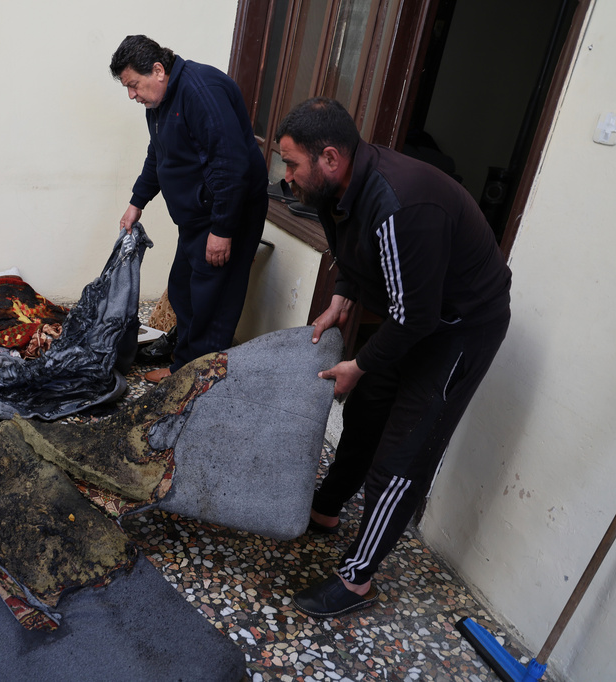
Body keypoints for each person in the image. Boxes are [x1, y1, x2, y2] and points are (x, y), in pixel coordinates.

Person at [274, 97, 512, 617]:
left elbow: (416, 320)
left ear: (330, 157)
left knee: (403, 453)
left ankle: (358, 580)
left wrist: (358, 365)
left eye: (291, 164)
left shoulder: (402, 207)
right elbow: (354, 250)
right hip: (415, 313)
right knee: (365, 411)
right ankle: (328, 508)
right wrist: (341, 296)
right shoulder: (337, 189)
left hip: (459, 327)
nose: (285, 176)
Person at [110, 35, 268, 382]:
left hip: (226, 212)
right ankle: (184, 357)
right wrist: (137, 202)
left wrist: (223, 229)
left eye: (134, 85)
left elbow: (230, 164)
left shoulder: (200, 92)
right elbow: (159, 154)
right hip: (198, 214)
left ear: (158, 70)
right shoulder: (160, 103)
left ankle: (194, 380)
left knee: (213, 296)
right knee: (183, 285)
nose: (132, 95)